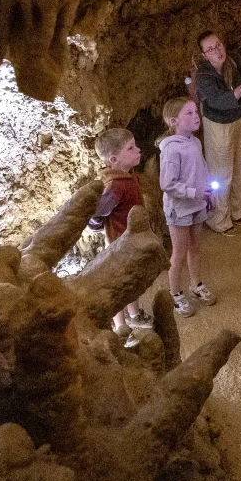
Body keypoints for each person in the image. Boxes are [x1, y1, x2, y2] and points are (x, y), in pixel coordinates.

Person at [89, 127, 153, 347]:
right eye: (131, 148)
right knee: (120, 285)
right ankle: (121, 327)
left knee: (133, 281)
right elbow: (97, 212)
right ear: (114, 159)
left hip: (132, 239)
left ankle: (134, 315)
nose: (138, 150)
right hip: (120, 243)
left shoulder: (127, 176)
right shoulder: (115, 184)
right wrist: (98, 225)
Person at [195, 30, 241, 236]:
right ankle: (218, 219)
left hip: (236, 121)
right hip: (217, 125)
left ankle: (235, 210)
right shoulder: (204, 76)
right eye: (211, 49)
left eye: (218, 45)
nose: (217, 51)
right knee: (221, 174)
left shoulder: (234, 62)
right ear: (205, 55)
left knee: (238, 169)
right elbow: (219, 101)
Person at [159, 97, 216, 317]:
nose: (196, 117)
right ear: (174, 121)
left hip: (197, 204)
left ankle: (196, 284)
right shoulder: (172, 149)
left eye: (195, 112)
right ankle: (175, 293)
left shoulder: (195, 142)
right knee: (179, 253)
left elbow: (200, 169)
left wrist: (207, 191)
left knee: (196, 248)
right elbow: (167, 184)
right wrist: (195, 192)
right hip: (180, 208)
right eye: (189, 114)